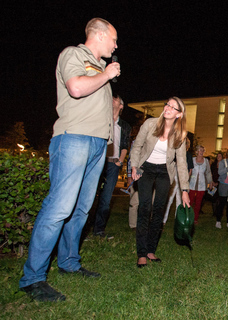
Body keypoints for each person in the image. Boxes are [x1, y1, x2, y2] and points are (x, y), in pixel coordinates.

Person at [19, 18, 121, 302]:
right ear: (99, 36)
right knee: (59, 208)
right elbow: (75, 88)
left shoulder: (101, 68)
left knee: (81, 210)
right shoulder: (74, 55)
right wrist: (107, 74)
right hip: (73, 138)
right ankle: (33, 278)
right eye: (113, 39)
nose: (115, 44)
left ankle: (68, 263)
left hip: (98, 144)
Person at [130, 97, 190, 268]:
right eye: (167, 104)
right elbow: (137, 146)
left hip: (165, 171)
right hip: (145, 168)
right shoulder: (150, 124)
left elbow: (182, 163)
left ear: (179, 114)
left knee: (158, 211)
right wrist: (134, 166)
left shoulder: (180, 135)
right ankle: (141, 253)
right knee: (145, 207)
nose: (168, 108)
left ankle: (150, 250)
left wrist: (185, 189)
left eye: (173, 107)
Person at [93, 95, 131, 238]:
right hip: (98, 163)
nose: (112, 99)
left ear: (121, 106)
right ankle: (82, 229)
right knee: (90, 195)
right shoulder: (101, 120)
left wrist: (120, 162)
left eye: (116, 99)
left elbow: (125, 145)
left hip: (113, 164)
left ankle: (98, 230)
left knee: (106, 198)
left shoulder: (125, 126)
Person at [189, 145, 213, 224]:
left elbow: (208, 172)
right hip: (192, 184)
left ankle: (195, 219)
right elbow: (188, 171)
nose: (202, 152)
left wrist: (210, 182)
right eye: (200, 150)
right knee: (190, 201)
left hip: (202, 185)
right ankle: (187, 217)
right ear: (196, 151)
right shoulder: (192, 160)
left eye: (203, 150)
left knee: (198, 203)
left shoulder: (206, 161)